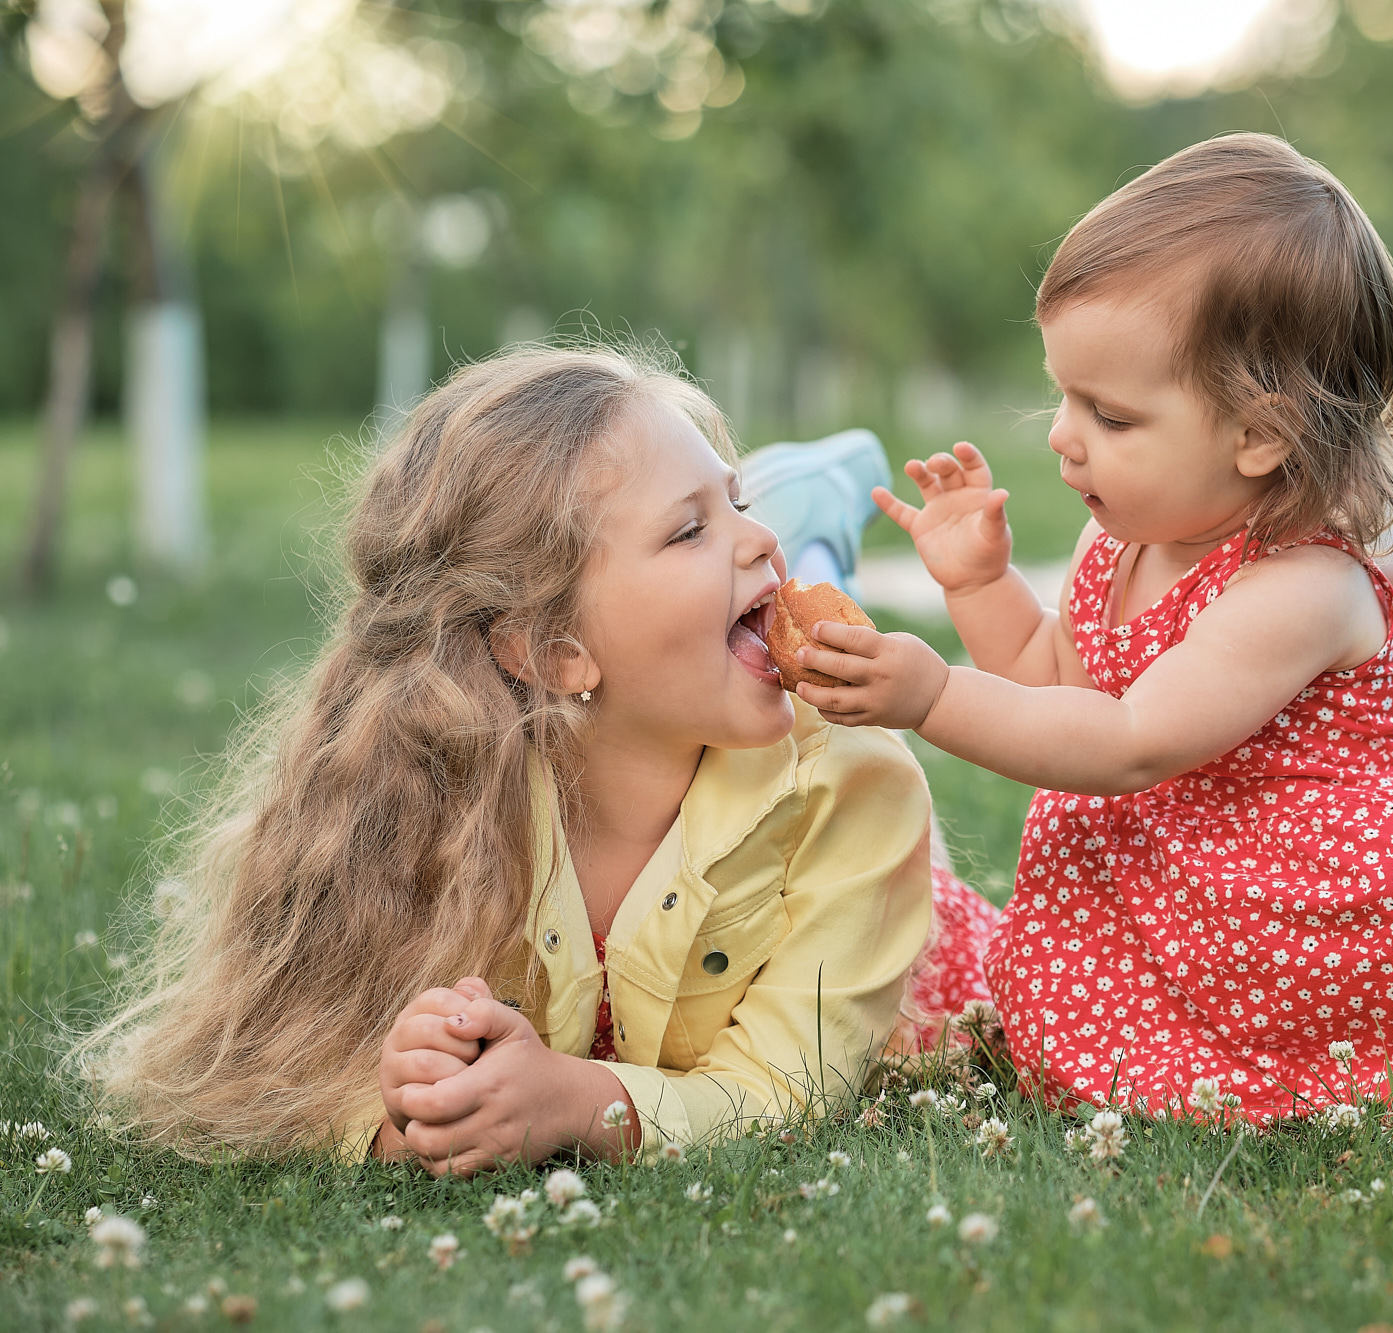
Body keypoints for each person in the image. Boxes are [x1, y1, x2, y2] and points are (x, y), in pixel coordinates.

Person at [791, 134, 1393, 1118]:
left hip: (1318, 909)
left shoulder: (1299, 587)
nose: (1061, 434)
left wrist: (932, 696)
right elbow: (1056, 686)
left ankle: (1335, 1060)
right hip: (1188, 883)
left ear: (1259, 434)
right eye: (1062, 393)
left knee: (1318, 987)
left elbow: (1131, 741)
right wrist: (980, 585)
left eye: (1110, 415)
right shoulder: (1120, 543)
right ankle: (1161, 1042)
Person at [72, 345, 994, 1173]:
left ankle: (814, 510)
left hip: (896, 949)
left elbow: (785, 1085)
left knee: (788, 595)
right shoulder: (444, 793)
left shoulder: (852, 783)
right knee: (760, 595)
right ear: (553, 653)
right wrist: (408, 1100)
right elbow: (288, 1061)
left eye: (739, 503)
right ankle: (805, 499)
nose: (758, 538)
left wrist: (580, 1103)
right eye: (689, 529)